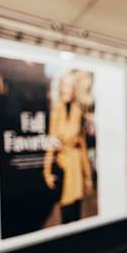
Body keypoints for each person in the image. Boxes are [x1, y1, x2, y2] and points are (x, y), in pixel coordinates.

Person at [43, 71, 94, 223]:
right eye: (63, 86)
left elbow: (83, 148)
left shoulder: (79, 113)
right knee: (65, 210)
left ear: (74, 90)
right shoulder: (55, 113)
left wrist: (88, 177)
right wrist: (46, 172)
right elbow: (51, 145)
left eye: (69, 86)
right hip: (63, 166)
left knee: (76, 211)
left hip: (76, 167)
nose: (65, 89)